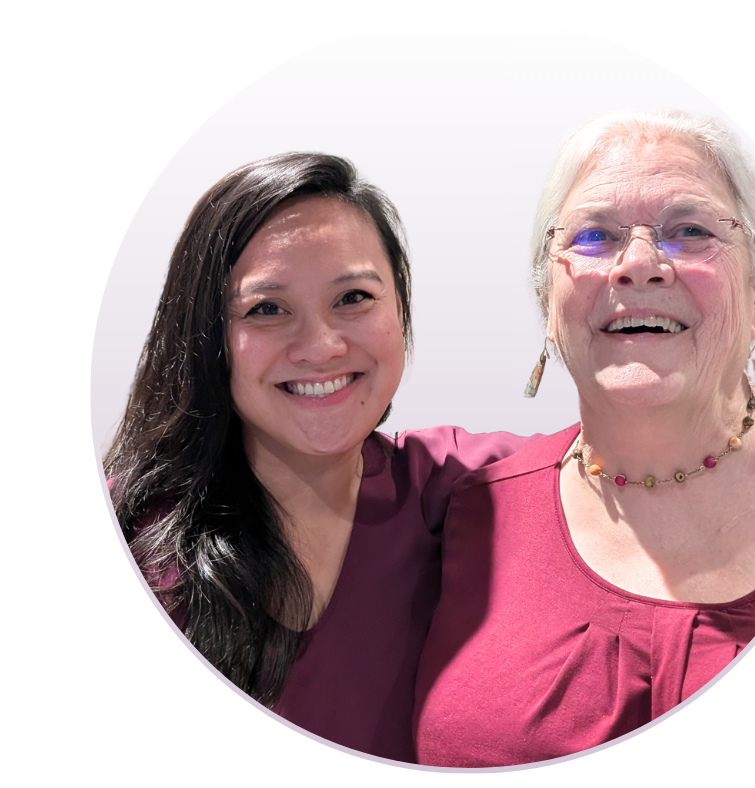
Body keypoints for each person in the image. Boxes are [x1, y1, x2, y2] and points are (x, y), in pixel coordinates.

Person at [413, 110, 755, 766]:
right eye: (594, 236)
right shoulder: (465, 514)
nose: (638, 265)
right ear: (547, 302)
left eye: (691, 230)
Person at [105, 153, 529, 761]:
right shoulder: (136, 528)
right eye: (266, 309)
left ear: (400, 307)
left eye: (353, 297)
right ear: (206, 337)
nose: (322, 347)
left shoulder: (469, 483)